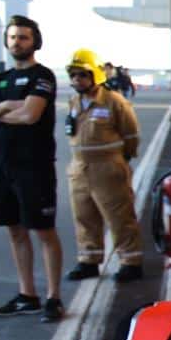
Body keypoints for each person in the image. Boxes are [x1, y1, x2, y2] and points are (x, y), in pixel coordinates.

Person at [0, 15, 65, 322]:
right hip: (4, 168)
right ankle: (28, 295)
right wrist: (4, 106)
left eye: (23, 37)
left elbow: (29, 116)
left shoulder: (43, 76)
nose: (17, 42)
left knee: (44, 232)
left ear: (35, 41)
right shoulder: (1, 79)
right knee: (15, 230)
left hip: (34, 168)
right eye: (12, 37)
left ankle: (53, 298)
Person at [64, 48, 144, 282]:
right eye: (73, 75)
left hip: (107, 168)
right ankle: (89, 260)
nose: (77, 80)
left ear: (95, 75)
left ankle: (131, 262)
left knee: (119, 217)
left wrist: (120, 160)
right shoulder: (74, 102)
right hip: (79, 169)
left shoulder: (114, 102)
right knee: (84, 216)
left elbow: (131, 135)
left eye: (82, 74)